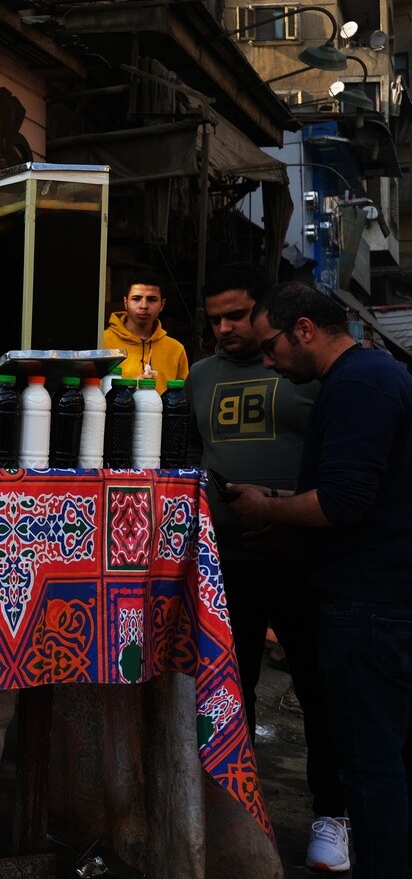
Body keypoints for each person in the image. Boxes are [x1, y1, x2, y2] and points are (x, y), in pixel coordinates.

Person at [231, 281, 412, 878]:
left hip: (371, 604)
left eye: (271, 345)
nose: (267, 361)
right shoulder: (371, 378)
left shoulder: (359, 383)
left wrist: (268, 506)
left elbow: (344, 503)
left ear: (304, 329)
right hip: (382, 595)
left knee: (371, 767)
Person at [185, 264, 347, 870]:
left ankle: (331, 814)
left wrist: (288, 518)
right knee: (230, 692)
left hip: (306, 559)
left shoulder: (310, 370)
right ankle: (238, 816)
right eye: (215, 320)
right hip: (228, 565)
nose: (226, 329)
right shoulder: (200, 377)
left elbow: (340, 465)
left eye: (236, 316)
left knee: (319, 689)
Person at [102, 269, 190, 383]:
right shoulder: (102, 341)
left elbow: (184, 396)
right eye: (136, 299)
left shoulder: (176, 350)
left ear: (162, 304)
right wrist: (131, 387)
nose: (143, 305)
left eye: (151, 299)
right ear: (125, 302)